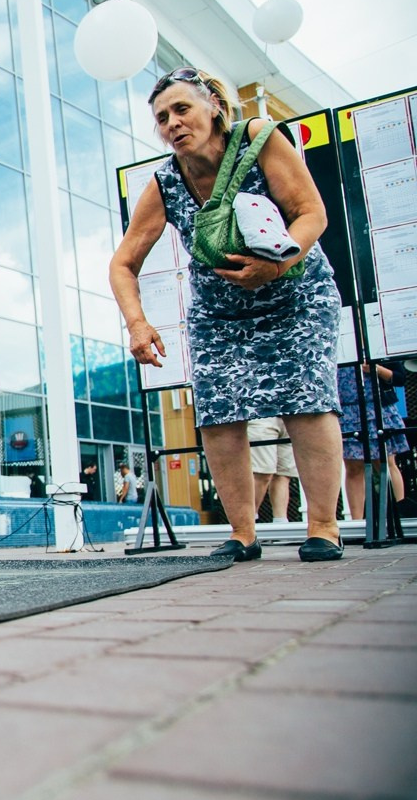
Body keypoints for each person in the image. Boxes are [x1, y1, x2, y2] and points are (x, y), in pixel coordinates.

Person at [109, 67, 344, 563]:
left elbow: (311, 213)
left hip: (295, 297)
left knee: (306, 401)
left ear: (213, 106)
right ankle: (242, 532)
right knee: (218, 413)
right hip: (221, 314)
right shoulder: (165, 181)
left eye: (181, 109)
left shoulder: (257, 138)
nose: (172, 123)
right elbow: (123, 262)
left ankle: (323, 526)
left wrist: (275, 264)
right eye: (161, 118)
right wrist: (138, 323)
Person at [339, 363, 410, 519]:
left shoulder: (376, 344)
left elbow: (399, 378)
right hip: (346, 411)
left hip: (377, 408)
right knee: (353, 467)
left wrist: (376, 368)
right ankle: (357, 521)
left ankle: (399, 516)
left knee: (385, 462)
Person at [248, 416, 298, 522]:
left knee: (283, 474)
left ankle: (281, 525)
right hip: (262, 416)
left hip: (290, 416)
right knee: (262, 473)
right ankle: (249, 523)